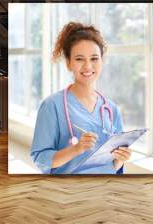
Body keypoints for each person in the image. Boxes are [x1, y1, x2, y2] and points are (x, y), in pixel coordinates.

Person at [31, 22, 132, 174]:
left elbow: (112, 167)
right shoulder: (52, 106)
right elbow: (40, 158)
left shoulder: (111, 109)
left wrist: (121, 158)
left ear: (101, 61)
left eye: (94, 58)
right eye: (79, 59)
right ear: (68, 63)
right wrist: (76, 149)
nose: (88, 66)